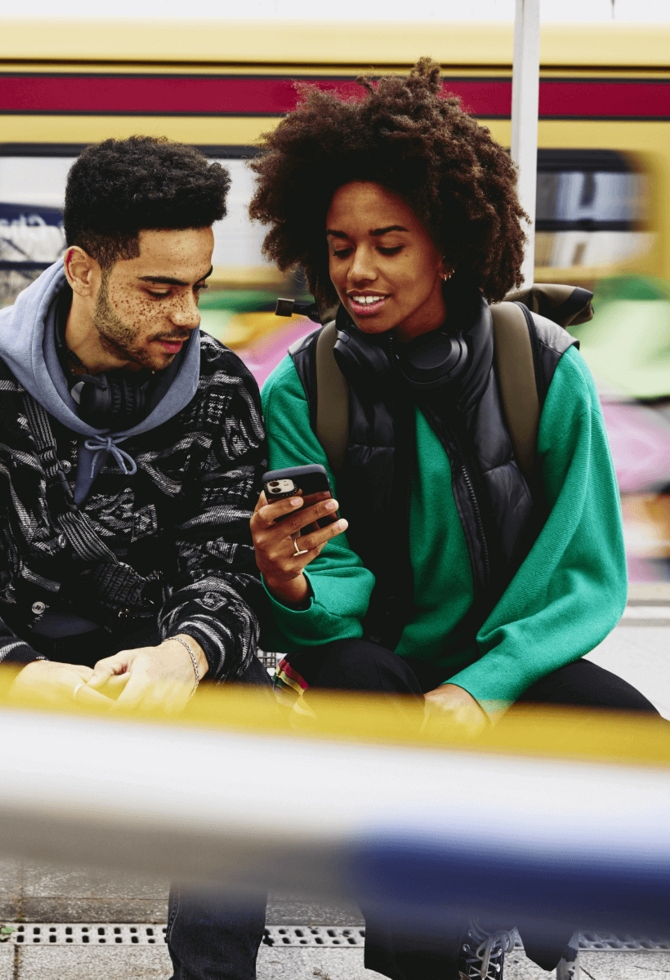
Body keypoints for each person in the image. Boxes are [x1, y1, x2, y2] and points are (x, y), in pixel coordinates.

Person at [246, 60, 663, 980]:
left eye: (387, 243)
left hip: (501, 651)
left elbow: (581, 571)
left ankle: (542, 900)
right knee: (365, 690)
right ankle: (436, 951)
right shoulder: (303, 386)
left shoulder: (542, 369)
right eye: (338, 244)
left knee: (643, 757)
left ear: (445, 245)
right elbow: (335, 592)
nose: (355, 269)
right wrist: (290, 583)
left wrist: (486, 686)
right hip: (372, 662)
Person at [0, 136, 272, 980]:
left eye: (198, 286)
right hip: (4, 655)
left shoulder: (222, 392)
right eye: (158, 289)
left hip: (147, 658)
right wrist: (14, 670)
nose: (187, 314)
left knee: (251, 713)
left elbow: (226, 568)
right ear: (81, 269)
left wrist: (183, 655)